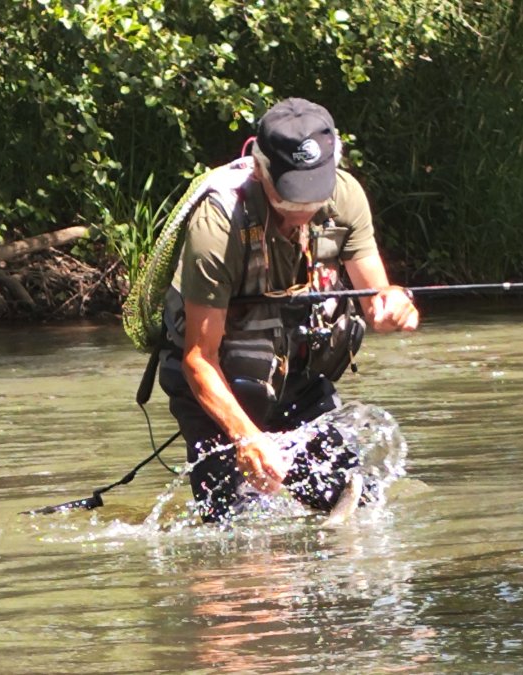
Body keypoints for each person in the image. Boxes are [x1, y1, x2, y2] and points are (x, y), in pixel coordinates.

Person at [158, 98, 419, 522]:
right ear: (259, 168)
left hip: (297, 380)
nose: (302, 210)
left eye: (313, 194)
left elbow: (379, 297)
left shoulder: (346, 196)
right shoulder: (219, 223)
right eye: (289, 195)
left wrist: (395, 307)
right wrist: (247, 438)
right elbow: (197, 360)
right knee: (229, 531)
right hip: (220, 385)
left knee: (354, 505)